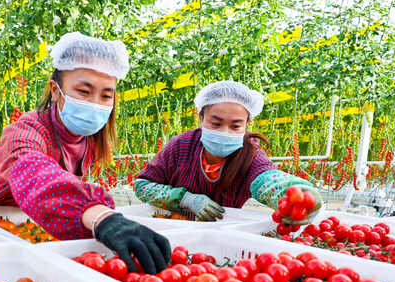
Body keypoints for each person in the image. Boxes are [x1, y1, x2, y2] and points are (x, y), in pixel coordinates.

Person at [0, 32, 171, 274]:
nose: (96, 104)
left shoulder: (89, 141)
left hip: (40, 234)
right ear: (56, 91)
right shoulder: (28, 129)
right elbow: (30, 167)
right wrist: (100, 216)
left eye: (106, 95)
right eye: (83, 91)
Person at [134, 81, 322, 223]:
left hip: (222, 231)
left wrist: (293, 192)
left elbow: (266, 180)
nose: (224, 132)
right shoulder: (181, 146)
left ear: (247, 125)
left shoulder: (249, 153)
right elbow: (142, 185)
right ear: (200, 118)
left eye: (235, 126)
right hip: (173, 226)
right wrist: (184, 199)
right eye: (215, 124)